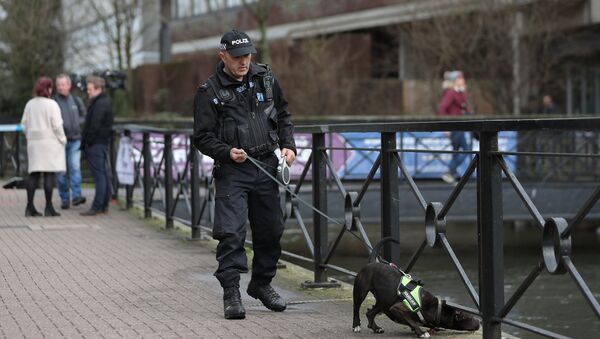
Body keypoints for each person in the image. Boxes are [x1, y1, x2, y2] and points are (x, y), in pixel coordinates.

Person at [193, 29, 296, 320]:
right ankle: (232, 295)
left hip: (266, 166)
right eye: (237, 57)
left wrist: (288, 146)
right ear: (222, 55)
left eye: (248, 55)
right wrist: (226, 152)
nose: (243, 62)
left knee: (271, 231)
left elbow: (285, 115)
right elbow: (201, 137)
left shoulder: (266, 78)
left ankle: (261, 285)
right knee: (231, 234)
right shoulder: (209, 91)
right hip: (233, 171)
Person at [21, 76, 67, 217]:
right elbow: (57, 125)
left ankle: (29, 207)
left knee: (33, 174)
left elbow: (24, 124)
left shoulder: (30, 104)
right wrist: (63, 139)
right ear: (48, 89)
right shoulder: (52, 104)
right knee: (49, 174)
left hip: (34, 144)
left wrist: (30, 135)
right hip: (49, 143)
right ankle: (48, 207)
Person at [80, 75, 114, 216]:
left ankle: (97, 206)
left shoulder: (99, 104)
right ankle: (103, 205)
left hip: (96, 144)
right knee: (104, 175)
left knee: (100, 176)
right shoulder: (103, 102)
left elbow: (94, 125)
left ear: (98, 88)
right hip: (100, 143)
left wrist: (87, 142)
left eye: (90, 89)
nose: (87, 91)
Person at [53, 74, 87, 210]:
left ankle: (77, 196)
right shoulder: (54, 101)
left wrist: (78, 124)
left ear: (69, 85)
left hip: (75, 141)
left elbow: (84, 115)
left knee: (75, 167)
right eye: (58, 85)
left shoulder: (76, 100)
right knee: (61, 173)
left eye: (63, 84)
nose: (60, 87)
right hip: (59, 142)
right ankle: (65, 199)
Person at [437, 71, 472, 184]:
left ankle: (451, 174)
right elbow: (442, 108)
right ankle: (450, 172)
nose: (463, 80)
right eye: (461, 78)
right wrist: (446, 126)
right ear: (455, 80)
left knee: (457, 151)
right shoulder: (451, 93)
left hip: (459, 125)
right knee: (466, 150)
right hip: (454, 125)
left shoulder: (459, 92)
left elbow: (465, 107)